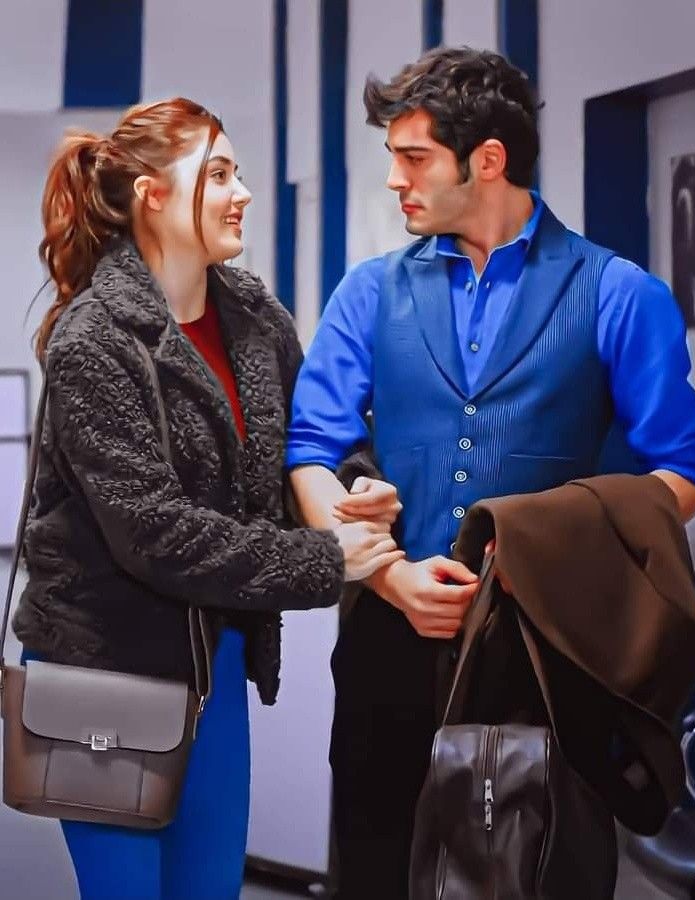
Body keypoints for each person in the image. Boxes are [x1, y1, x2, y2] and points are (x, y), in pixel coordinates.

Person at [286, 48, 695, 898]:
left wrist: (552, 554)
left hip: (546, 660)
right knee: (376, 871)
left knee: (538, 873)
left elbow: (679, 473)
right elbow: (311, 452)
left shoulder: (620, 293)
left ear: (487, 160)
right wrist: (389, 574)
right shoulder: (366, 294)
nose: (396, 181)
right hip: (387, 643)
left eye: (414, 159)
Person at [12, 98, 403, 900]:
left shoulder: (252, 316)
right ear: (154, 194)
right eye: (218, 173)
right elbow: (154, 535)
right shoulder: (97, 339)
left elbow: (314, 436)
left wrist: (356, 486)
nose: (244, 191)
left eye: (238, 171)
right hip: (107, 667)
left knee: (209, 889)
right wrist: (326, 558)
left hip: (212, 663)